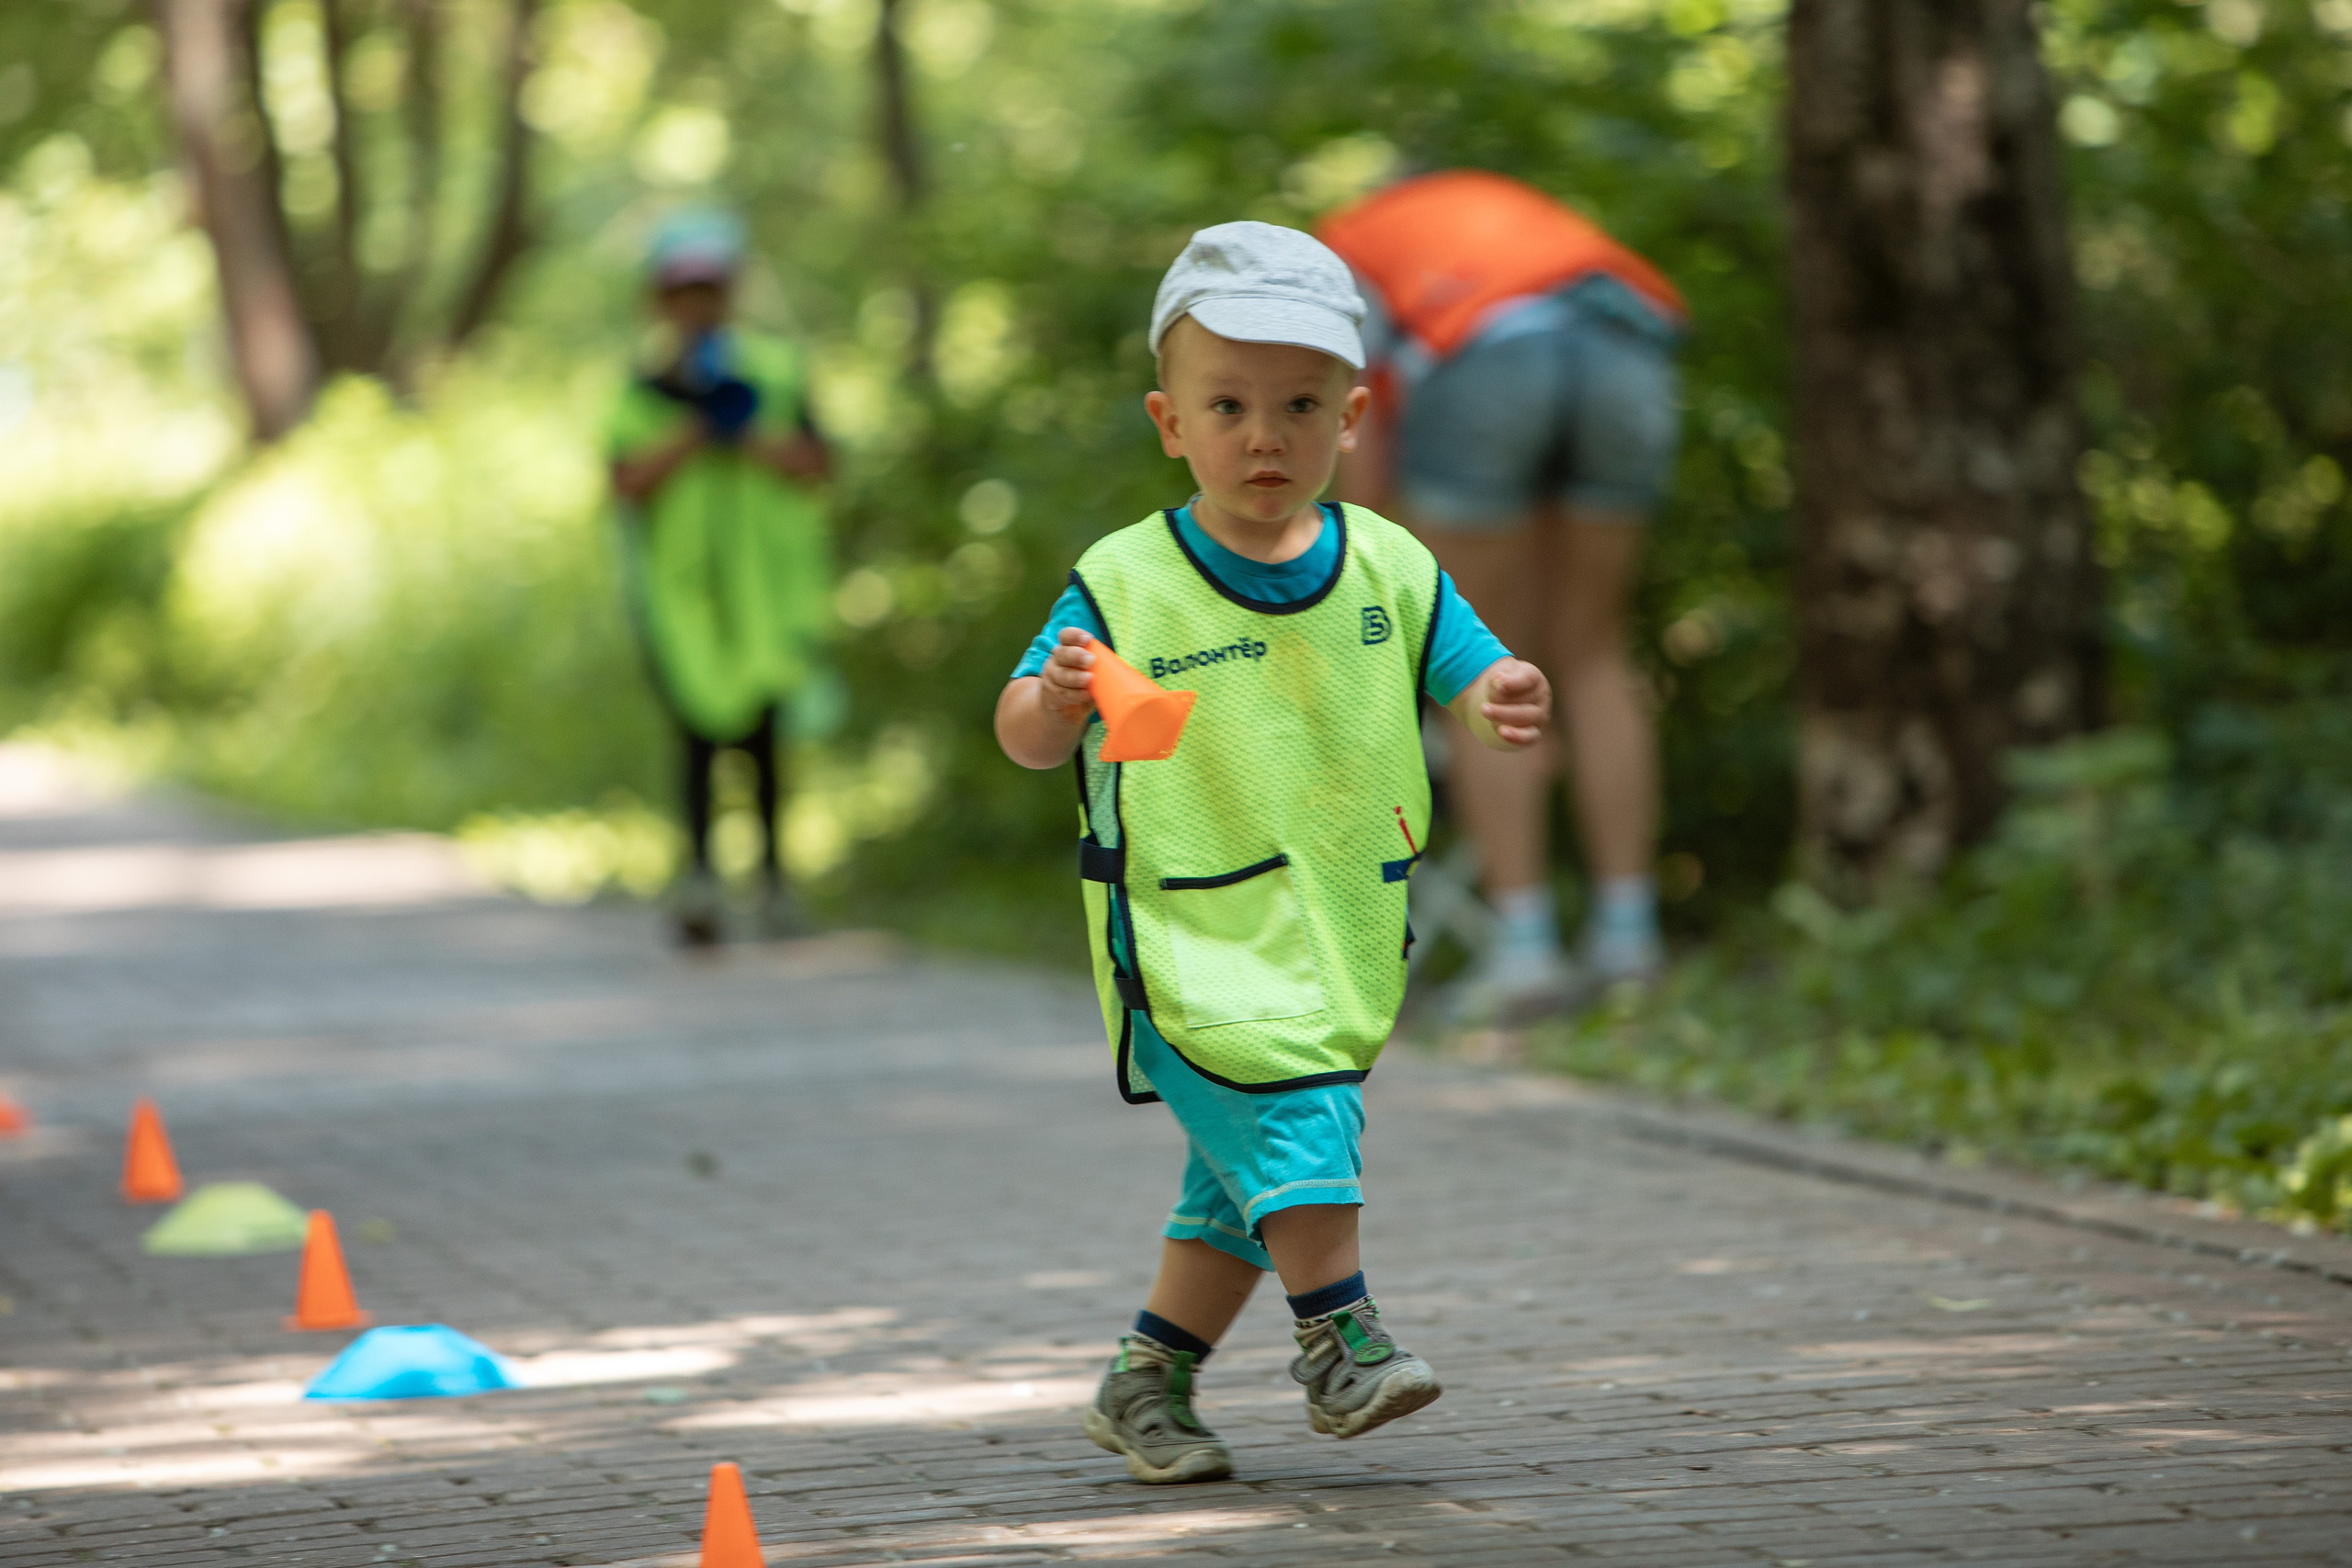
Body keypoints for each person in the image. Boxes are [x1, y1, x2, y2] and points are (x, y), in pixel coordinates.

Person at [994, 222, 1553, 1483]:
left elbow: (1468, 666)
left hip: (1339, 926)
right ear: (1169, 420)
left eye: (1300, 405)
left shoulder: (1390, 565)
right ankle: (1339, 1339)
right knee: (1301, 1128)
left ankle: (1146, 1380)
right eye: (1228, 405)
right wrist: (1060, 703)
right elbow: (1023, 731)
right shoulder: (1125, 580)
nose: (1265, 435)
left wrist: (1503, 688)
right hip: (1190, 937)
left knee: (1236, 1182)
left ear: (1353, 415)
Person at [1319, 170, 1688, 1020]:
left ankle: (1524, 948)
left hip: (1485, 355)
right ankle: (1630, 939)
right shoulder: (1511, 214)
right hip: (1628, 348)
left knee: (1477, 666)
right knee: (1594, 652)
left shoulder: (1345, 243)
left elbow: (1364, 449)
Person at [606, 210, 833, 947]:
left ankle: (773, 883)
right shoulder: (641, 389)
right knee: (697, 735)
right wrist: (693, 429)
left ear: (730, 291)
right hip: (682, 598)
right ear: (660, 300)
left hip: (767, 595)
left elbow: (817, 463)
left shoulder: (774, 371)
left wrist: (747, 433)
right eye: (684, 291)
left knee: (766, 738)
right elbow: (624, 481)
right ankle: (700, 876)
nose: (698, 304)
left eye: (710, 288)